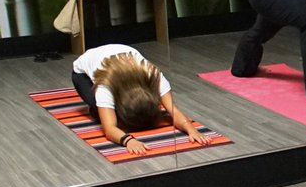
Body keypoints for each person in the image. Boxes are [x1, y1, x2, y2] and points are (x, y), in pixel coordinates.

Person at [71, 43, 210, 155]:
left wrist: (191, 129)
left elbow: (174, 111)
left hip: (121, 53)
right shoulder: (105, 87)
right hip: (81, 75)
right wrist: (128, 140)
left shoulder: (154, 75)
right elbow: (109, 128)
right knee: (100, 112)